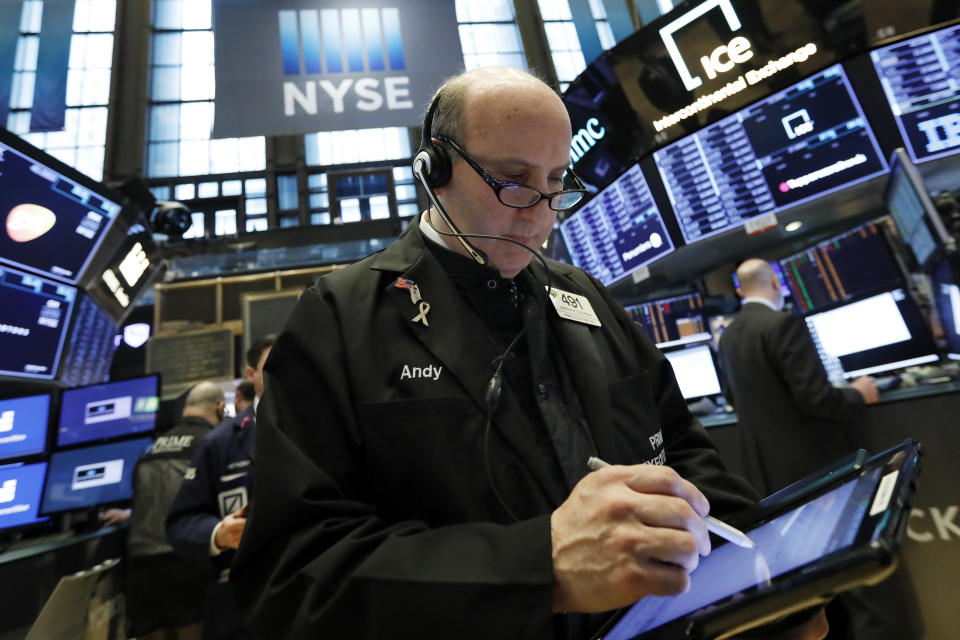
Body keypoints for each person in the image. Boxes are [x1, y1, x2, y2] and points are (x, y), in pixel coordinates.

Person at [230, 68, 826, 640]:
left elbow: (686, 463)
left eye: (556, 184)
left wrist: (775, 579)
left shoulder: (585, 296)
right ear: (433, 167)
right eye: (513, 183)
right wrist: (535, 568)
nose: (540, 216)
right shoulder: (342, 316)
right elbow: (291, 576)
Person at [717, 259, 878, 495]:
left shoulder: (727, 336)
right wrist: (857, 394)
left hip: (764, 470)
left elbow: (732, 397)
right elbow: (816, 398)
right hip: (808, 464)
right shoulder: (783, 323)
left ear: (740, 291)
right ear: (775, 282)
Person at [166, 336, 274, 640]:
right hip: (242, 608)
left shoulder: (325, 428)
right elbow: (181, 523)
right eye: (272, 367)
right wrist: (219, 533)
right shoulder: (220, 442)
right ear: (251, 374)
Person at [126, 381, 226, 640]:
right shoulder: (212, 444)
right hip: (189, 569)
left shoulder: (150, 449)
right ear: (220, 408)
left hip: (141, 574)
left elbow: (145, 502)